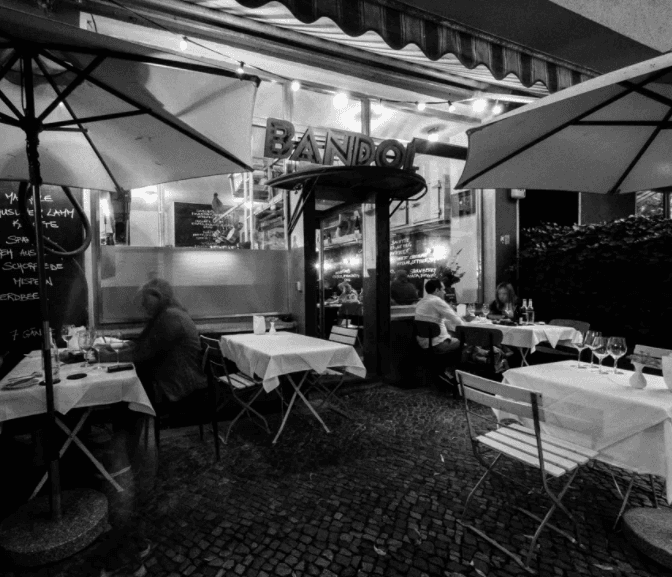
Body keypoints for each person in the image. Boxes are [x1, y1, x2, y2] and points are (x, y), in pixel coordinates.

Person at [131, 278, 207, 404]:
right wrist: (120, 350)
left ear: (158, 296)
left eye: (145, 300)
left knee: (130, 386)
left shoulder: (171, 317)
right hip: (171, 377)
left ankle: (142, 421)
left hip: (177, 384)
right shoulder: (165, 314)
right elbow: (143, 345)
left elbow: (143, 352)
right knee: (132, 379)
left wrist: (108, 356)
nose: (143, 304)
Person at [415, 278, 465, 355]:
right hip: (438, 344)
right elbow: (457, 320)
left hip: (424, 344)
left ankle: (481, 356)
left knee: (452, 334)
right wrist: (466, 325)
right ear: (437, 290)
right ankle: (462, 365)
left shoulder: (420, 302)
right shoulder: (437, 301)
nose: (444, 292)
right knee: (466, 340)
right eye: (443, 289)